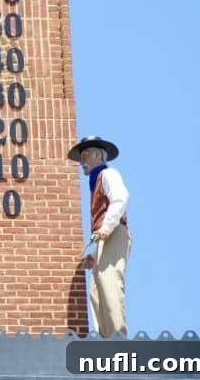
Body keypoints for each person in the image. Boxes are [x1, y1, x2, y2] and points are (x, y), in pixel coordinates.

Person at [68, 135, 130, 338]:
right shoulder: (96, 182)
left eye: (86, 155)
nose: (82, 162)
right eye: (81, 157)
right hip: (107, 236)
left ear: (99, 155)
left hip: (114, 232)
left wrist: (107, 226)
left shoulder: (108, 174)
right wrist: (95, 254)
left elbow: (120, 199)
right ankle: (106, 336)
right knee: (97, 289)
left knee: (109, 280)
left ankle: (118, 336)